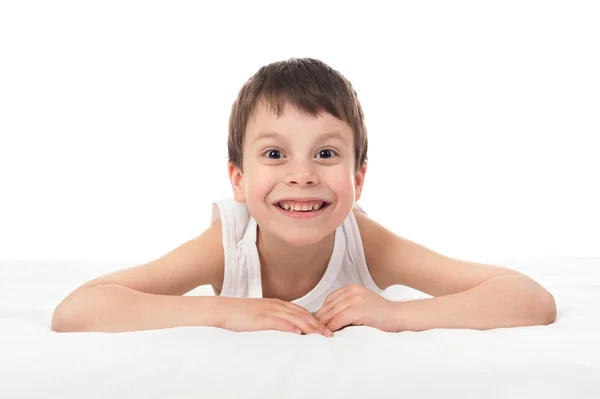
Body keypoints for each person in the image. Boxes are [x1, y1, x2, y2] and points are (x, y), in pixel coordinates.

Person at [51, 58, 557, 337]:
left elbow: (529, 299)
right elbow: (78, 310)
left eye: (326, 154)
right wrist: (225, 311)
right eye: (274, 154)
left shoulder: (366, 242)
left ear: (357, 181)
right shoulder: (228, 244)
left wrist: (398, 315)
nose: (301, 175)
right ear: (238, 180)